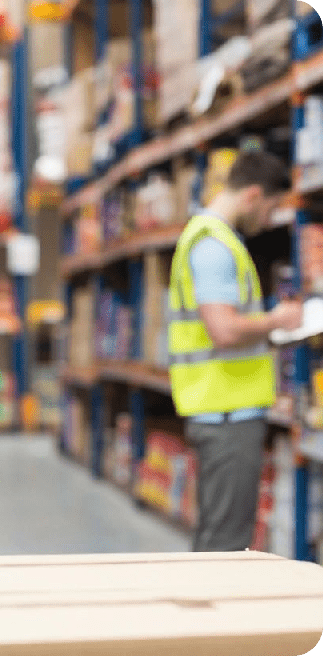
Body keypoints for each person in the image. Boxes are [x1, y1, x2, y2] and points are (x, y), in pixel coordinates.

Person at [168, 149, 302, 552]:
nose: (269, 218)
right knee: (225, 545)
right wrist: (278, 320)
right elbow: (223, 329)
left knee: (217, 537)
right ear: (252, 195)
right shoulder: (213, 246)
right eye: (271, 207)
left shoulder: (212, 238)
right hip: (226, 415)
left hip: (221, 410)